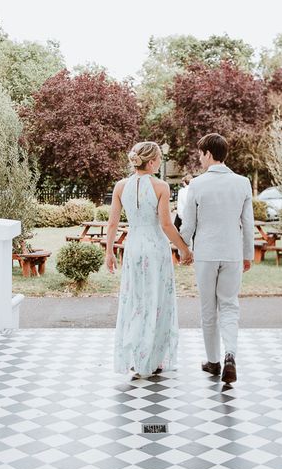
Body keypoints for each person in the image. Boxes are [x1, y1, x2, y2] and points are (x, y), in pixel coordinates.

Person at [105, 141, 193, 377]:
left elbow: (113, 223)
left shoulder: (121, 186)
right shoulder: (161, 186)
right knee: (156, 302)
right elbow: (165, 224)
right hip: (155, 249)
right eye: (159, 160)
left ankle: (136, 357)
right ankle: (153, 358)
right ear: (152, 162)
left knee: (135, 301)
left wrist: (109, 251)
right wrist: (184, 248)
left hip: (133, 247)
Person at [181, 133, 254, 385]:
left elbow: (188, 224)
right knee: (230, 306)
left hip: (206, 254)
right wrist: (247, 254)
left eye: (200, 154)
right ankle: (230, 355)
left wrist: (184, 250)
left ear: (209, 154)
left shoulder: (197, 185)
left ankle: (213, 362)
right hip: (232, 253)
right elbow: (247, 223)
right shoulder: (243, 183)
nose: (199, 159)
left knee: (208, 309)